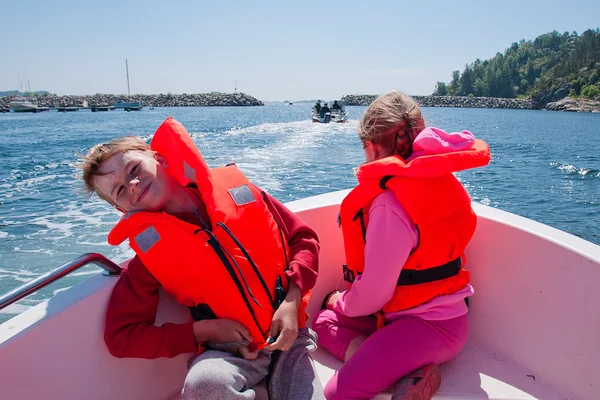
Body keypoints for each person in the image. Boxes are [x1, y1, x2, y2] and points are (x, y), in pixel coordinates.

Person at [79, 117, 325, 400]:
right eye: (120, 190)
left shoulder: (239, 190)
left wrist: (292, 302)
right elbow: (121, 337)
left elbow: (303, 239)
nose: (132, 184)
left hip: (290, 337)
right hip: (228, 352)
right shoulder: (150, 257)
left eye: (134, 169)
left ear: (158, 158)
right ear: (120, 207)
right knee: (204, 384)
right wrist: (203, 330)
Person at [312, 91, 491, 400]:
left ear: (369, 146)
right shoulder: (441, 180)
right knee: (322, 322)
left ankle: (404, 370)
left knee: (337, 391)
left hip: (428, 328)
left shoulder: (389, 204)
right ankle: (405, 368)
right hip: (446, 318)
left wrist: (339, 301)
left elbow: (373, 295)